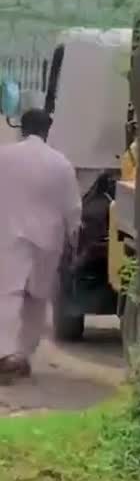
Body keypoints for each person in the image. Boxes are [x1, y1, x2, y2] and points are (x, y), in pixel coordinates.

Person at [0, 108, 81, 381]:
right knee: (36, 298)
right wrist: (74, 239)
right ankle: (22, 355)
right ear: (48, 130)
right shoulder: (61, 164)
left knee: (7, 293)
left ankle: (5, 352)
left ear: (22, 128)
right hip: (47, 240)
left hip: (7, 234)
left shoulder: (4, 157)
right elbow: (73, 209)